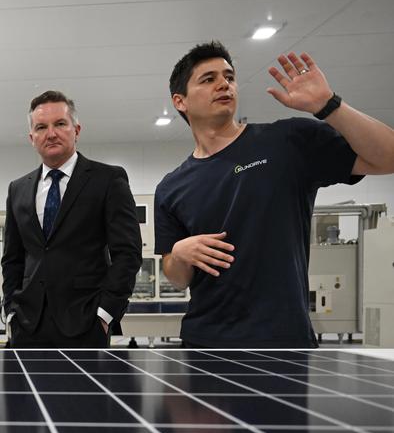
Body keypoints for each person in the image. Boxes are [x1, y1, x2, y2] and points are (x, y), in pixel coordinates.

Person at [155, 41, 394, 348]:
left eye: (229, 76)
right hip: (206, 343)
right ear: (180, 101)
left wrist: (329, 105)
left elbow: (387, 157)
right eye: (208, 79)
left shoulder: (287, 142)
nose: (223, 84)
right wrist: (181, 254)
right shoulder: (171, 187)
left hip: (283, 341)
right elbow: (177, 277)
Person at [2, 90, 143, 348]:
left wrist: (106, 313)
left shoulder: (108, 180)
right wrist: (11, 310)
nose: (51, 133)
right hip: (27, 324)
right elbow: (12, 258)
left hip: (86, 323)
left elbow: (128, 253)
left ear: (76, 130)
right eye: (41, 127)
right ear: (31, 137)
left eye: (60, 124)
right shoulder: (18, 189)